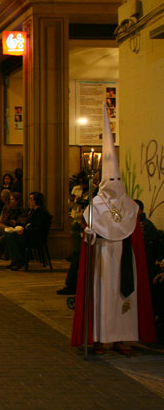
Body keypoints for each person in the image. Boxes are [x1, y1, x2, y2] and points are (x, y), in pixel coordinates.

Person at [72, 108, 156, 355]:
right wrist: (89, 234)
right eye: (111, 181)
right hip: (103, 258)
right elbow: (90, 230)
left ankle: (122, 338)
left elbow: (134, 234)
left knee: (124, 300)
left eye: (117, 180)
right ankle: (100, 338)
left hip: (124, 259)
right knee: (103, 298)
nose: (114, 185)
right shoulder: (95, 205)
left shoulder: (129, 204)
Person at [0, 192, 51, 270]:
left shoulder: (42, 212)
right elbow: (28, 224)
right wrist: (18, 225)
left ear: (37, 200)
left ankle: (19, 260)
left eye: (31, 199)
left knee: (9, 236)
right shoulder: (33, 211)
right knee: (6, 236)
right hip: (29, 233)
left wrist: (24, 231)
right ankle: (15, 259)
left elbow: (38, 229)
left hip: (35, 237)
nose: (30, 201)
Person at [0, 191, 23, 259]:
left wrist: (12, 222)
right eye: (10, 199)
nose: (11, 201)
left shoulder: (18, 209)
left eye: (12, 199)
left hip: (12, 228)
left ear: (17, 201)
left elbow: (14, 221)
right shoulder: (9, 208)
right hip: (6, 226)